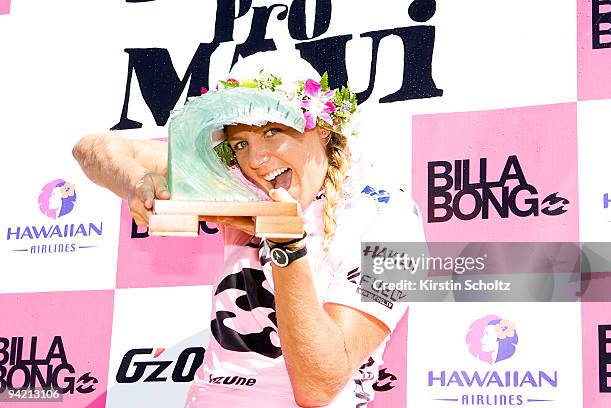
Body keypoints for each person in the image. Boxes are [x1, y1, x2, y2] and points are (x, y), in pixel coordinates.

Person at [73, 65, 425, 407]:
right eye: (240, 143)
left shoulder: (393, 222)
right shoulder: (237, 183)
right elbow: (92, 148)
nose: (256, 159)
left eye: (272, 132)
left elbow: (317, 388)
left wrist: (286, 245)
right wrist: (137, 182)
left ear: (320, 127)